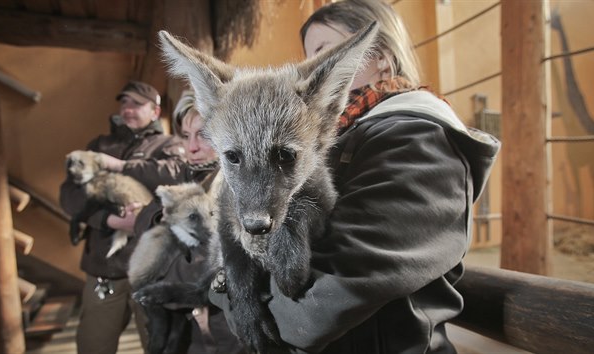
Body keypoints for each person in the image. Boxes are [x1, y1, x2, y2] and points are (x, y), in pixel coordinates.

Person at [209, 0, 501, 353]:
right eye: (306, 56)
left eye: (323, 52)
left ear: (381, 55)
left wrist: (223, 300)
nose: (308, 71)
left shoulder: (418, 138)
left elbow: (325, 301)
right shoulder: (335, 132)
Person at [101, 89, 245, 354]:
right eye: (186, 136)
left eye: (203, 135)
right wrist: (153, 215)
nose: (191, 147)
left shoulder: (237, 187)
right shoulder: (192, 175)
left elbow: (203, 270)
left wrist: (153, 269)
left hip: (230, 334)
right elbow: (154, 210)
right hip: (198, 331)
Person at [59, 80, 186, 354]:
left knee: (160, 345)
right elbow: (69, 194)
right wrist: (109, 221)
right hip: (105, 268)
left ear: (155, 111)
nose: (128, 109)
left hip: (153, 269)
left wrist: (120, 166)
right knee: (94, 345)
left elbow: (174, 175)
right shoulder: (99, 145)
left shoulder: (171, 146)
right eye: (124, 102)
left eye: (137, 103)